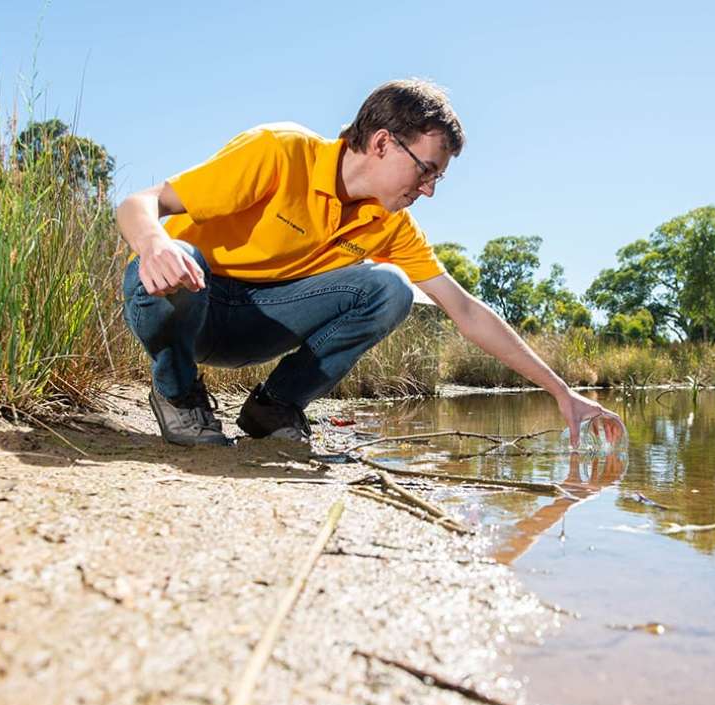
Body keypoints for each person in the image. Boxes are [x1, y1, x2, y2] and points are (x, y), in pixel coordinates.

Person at [116, 79, 623, 450]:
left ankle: (273, 407)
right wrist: (154, 243)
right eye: (426, 170)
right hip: (186, 299)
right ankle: (179, 394)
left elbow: (465, 311)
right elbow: (141, 201)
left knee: (391, 288)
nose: (427, 189)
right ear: (382, 142)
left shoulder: (390, 224)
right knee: (175, 253)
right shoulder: (280, 151)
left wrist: (562, 391)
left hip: (259, 323)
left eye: (437, 180)